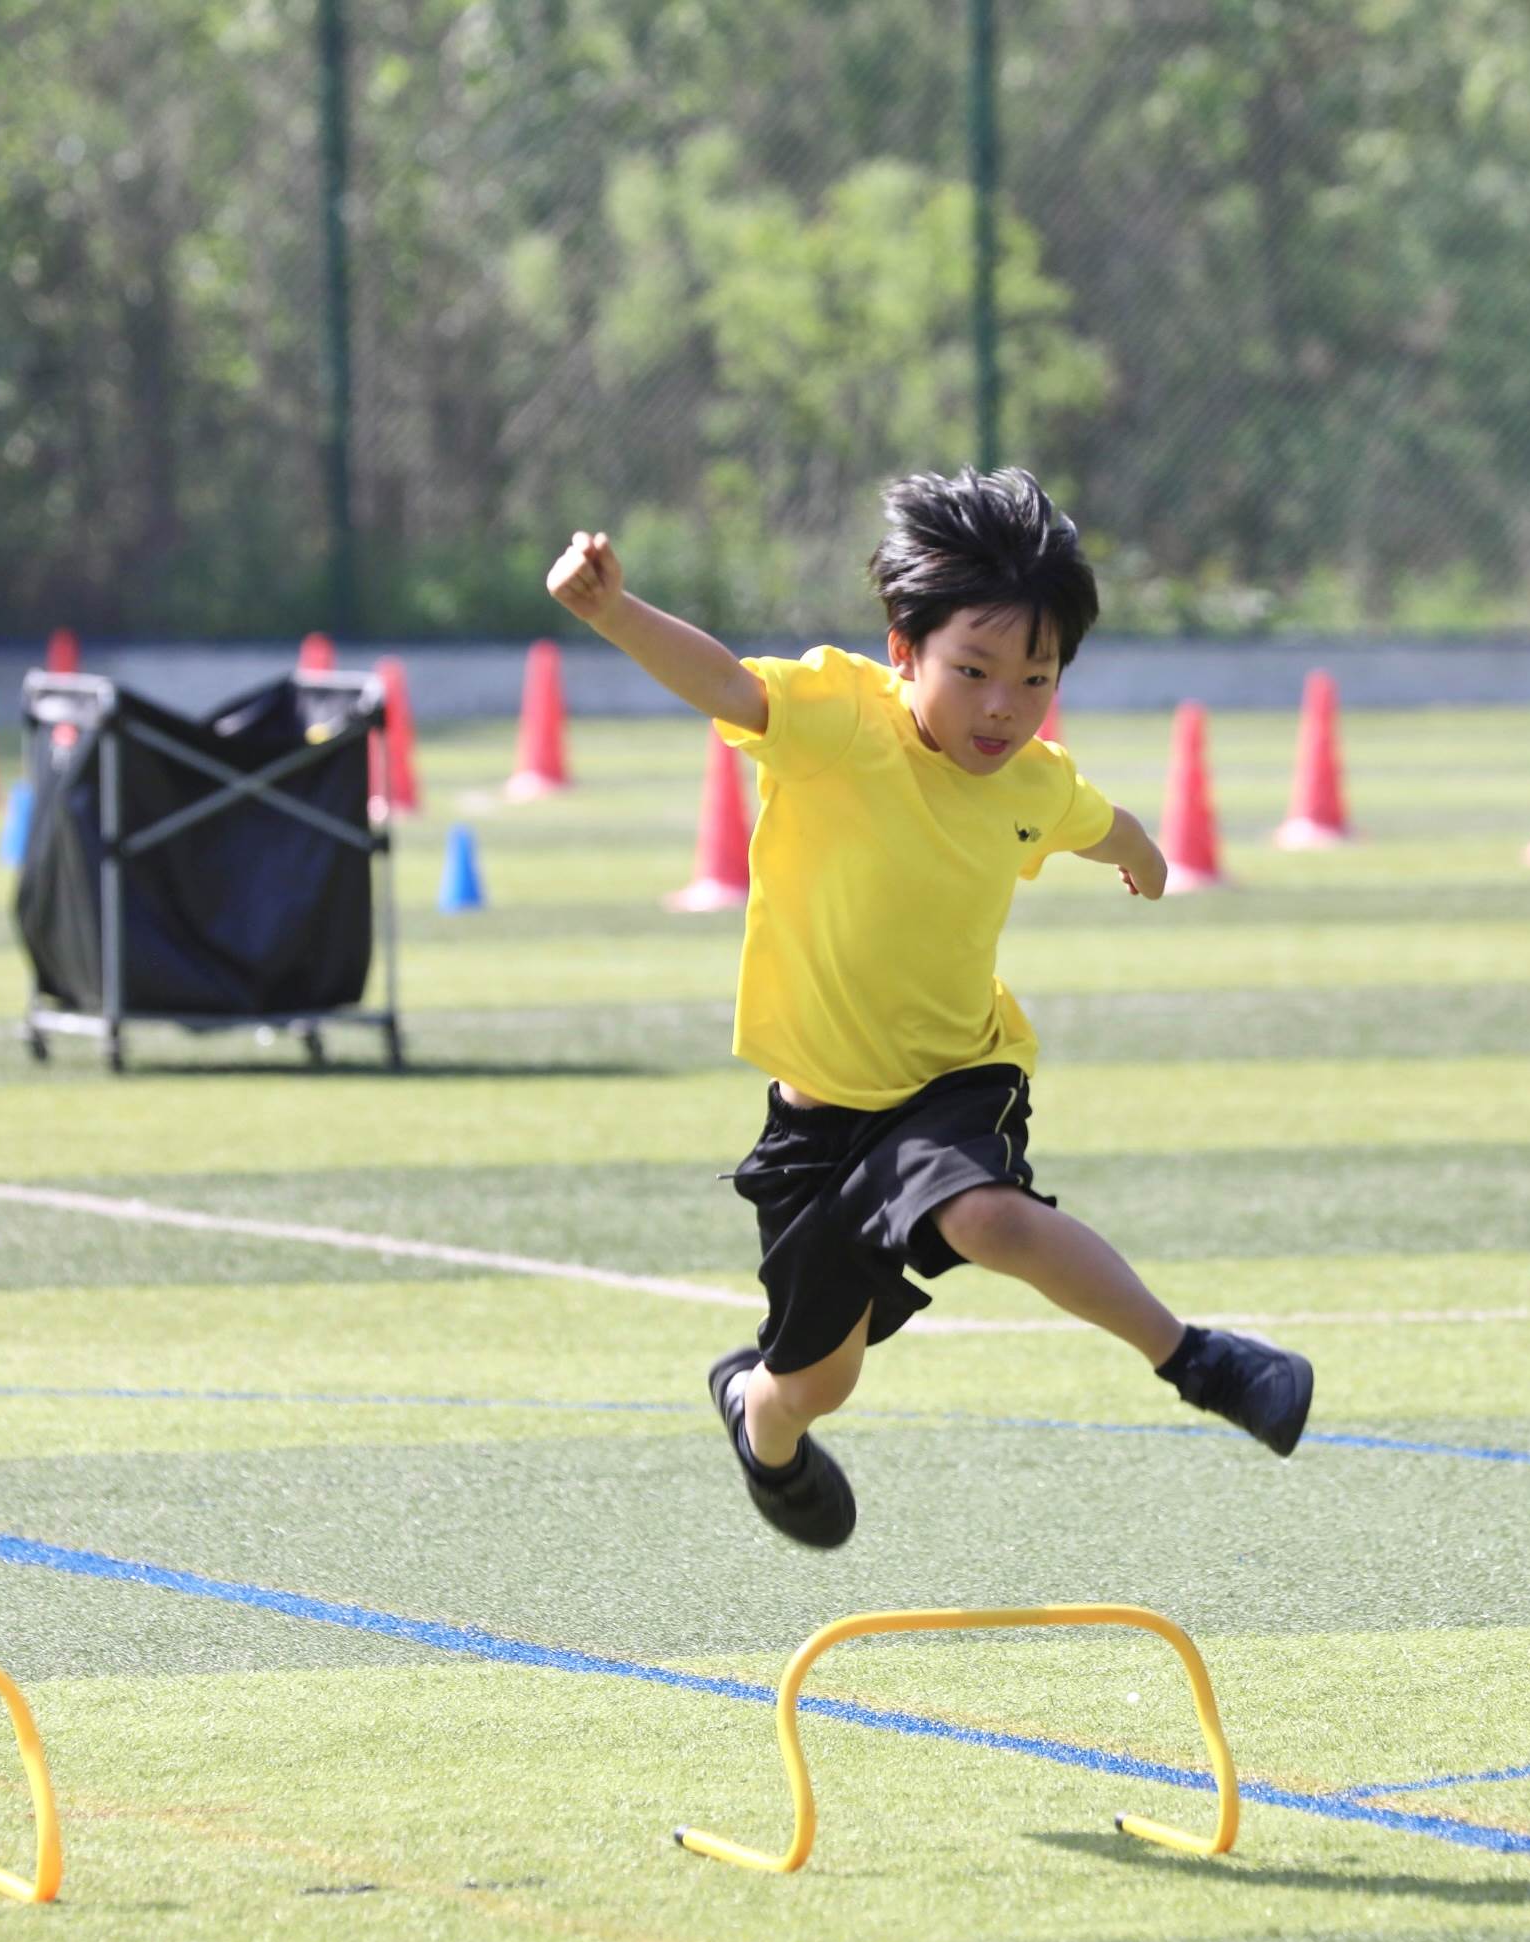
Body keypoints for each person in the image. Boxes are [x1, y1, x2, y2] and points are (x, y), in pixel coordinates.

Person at [545, 466, 1311, 1549]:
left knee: (984, 1211)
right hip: (817, 1121)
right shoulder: (836, 719)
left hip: (957, 1074)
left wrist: (1143, 854)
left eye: (1036, 678)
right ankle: (757, 1420)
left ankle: (1199, 1361)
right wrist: (613, 611)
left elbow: (1098, 820)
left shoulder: (1030, 780)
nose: (1003, 705)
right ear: (902, 649)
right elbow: (722, 680)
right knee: (811, 1386)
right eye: (974, 670)